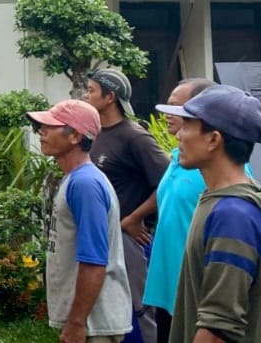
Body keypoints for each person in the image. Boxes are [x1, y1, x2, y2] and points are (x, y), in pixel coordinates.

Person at [155, 85, 261, 343]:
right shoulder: (221, 200)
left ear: (213, 140)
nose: (178, 134)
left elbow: (218, 331)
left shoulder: (233, 215)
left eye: (187, 125)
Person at [136, 79, 253, 343]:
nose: (179, 132)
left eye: (185, 118)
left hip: (201, 301)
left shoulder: (233, 198)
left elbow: (222, 319)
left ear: (213, 138)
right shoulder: (183, 159)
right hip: (172, 294)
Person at [27, 99, 133, 343]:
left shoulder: (85, 184)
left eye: (50, 126)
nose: (41, 132)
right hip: (88, 322)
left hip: (94, 324)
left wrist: (77, 322)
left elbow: (94, 260)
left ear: (75, 136)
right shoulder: (75, 179)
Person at [85, 68, 168, 342]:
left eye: (91, 91)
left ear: (110, 97)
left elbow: (167, 183)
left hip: (128, 239)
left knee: (138, 310)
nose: (86, 96)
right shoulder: (95, 135)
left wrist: (134, 218)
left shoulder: (135, 137)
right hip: (103, 237)